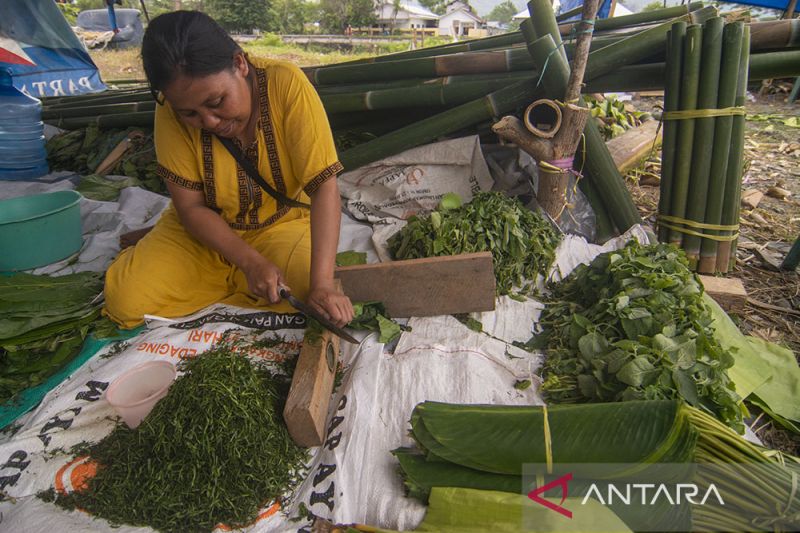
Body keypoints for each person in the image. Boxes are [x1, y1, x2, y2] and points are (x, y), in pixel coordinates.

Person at [104, 11, 354, 330]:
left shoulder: (286, 85)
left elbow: (323, 186)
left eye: (217, 101)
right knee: (126, 301)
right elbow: (191, 208)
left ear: (240, 64)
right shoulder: (168, 110)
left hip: (280, 224)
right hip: (202, 235)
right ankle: (237, 277)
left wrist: (321, 285)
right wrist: (249, 261)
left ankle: (233, 281)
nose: (208, 121)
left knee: (308, 295)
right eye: (190, 114)